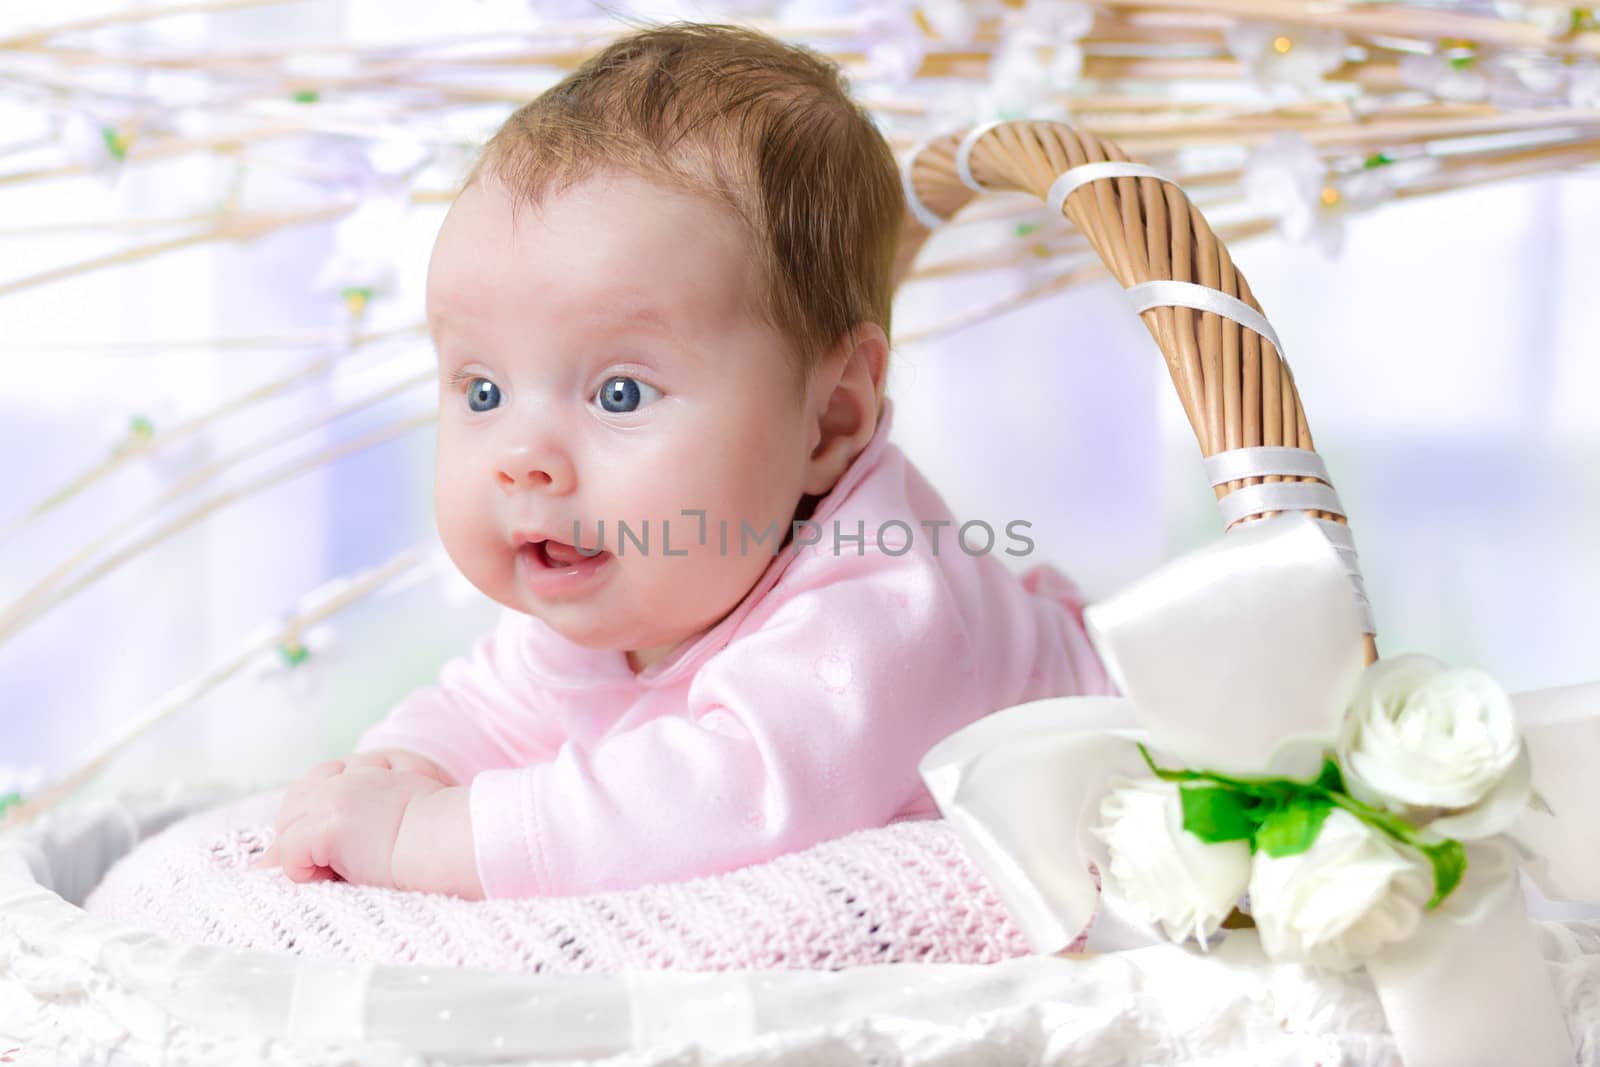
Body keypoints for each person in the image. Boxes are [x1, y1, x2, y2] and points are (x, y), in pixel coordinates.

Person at [255, 21, 1112, 901]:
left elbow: (720, 797)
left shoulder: (881, 604)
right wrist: (394, 772)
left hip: (1145, 765)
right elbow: (491, 710)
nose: (522, 458)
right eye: (481, 392)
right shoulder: (628, 579)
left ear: (828, 422)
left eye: (619, 393)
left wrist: (426, 837)